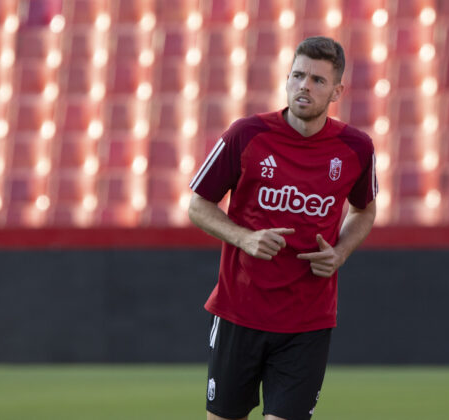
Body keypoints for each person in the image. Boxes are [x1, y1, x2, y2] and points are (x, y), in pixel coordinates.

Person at [188, 36, 378, 420]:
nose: (304, 85)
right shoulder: (247, 135)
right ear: (287, 79)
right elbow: (198, 205)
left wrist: (340, 252)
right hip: (239, 312)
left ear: (337, 91)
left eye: (318, 80)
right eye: (298, 75)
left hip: (307, 321)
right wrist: (245, 238)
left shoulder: (356, 149)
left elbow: (364, 211)